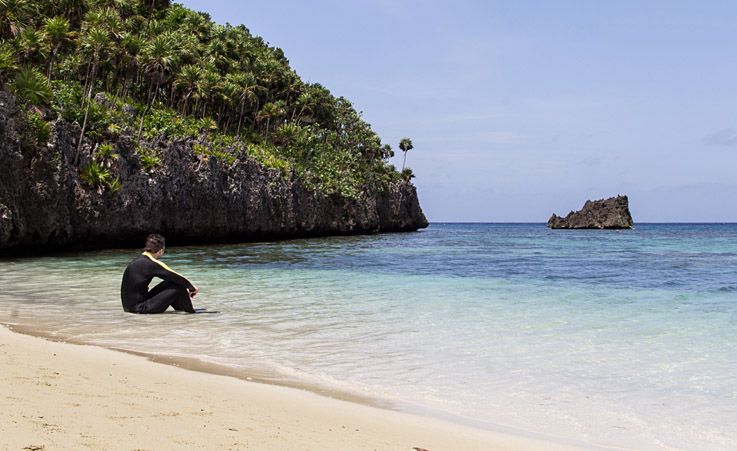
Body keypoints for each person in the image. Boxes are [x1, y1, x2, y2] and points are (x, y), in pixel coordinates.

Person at [121, 234, 198, 313]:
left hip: (131, 307)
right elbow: (175, 276)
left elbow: (173, 278)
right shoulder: (151, 263)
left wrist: (188, 286)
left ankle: (182, 311)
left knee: (170, 283)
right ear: (161, 250)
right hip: (139, 309)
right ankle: (191, 313)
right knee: (179, 286)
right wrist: (192, 288)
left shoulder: (138, 260)